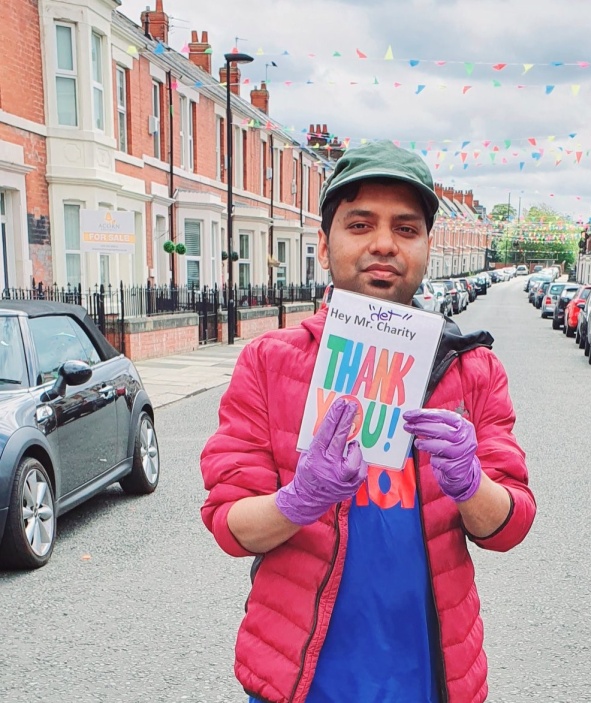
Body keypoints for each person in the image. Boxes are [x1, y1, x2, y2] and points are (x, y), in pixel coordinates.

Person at [200, 140, 536, 703]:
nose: (384, 244)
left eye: (406, 229)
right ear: (325, 244)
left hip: (428, 678)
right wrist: (298, 500)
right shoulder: (270, 361)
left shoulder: (473, 369)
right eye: (360, 224)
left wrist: (471, 483)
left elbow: (510, 524)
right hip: (299, 680)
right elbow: (229, 525)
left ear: (428, 245)